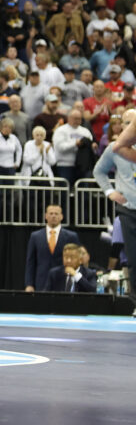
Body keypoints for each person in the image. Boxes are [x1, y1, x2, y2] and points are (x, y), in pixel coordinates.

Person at [94, 108, 136, 313]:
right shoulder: (114, 148)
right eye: (126, 123)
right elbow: (99, 171)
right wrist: (110, 192)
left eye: (133, 123)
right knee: (134, 258)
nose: (129, 127)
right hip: (128, 210)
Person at [24, 203, 80, 293]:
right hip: (41, 283)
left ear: (61, 216)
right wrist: (29, 284)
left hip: (63, 282)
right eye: (51, 213)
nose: (53, 216)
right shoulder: (35, 236)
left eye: (56, 214)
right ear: (46, 216)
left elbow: (77, 261)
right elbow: (30, 262)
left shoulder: (71, 236)